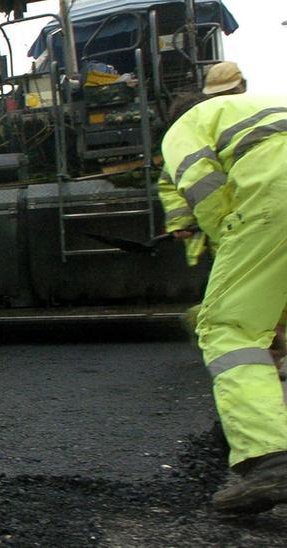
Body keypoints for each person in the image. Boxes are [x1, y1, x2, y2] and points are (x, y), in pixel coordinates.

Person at [160, 93, 287, 513]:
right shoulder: (254, 105)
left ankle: (270, 460)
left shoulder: (184, 128)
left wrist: (222, 237)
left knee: (228, 327)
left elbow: (202, 185)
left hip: (276, 193)